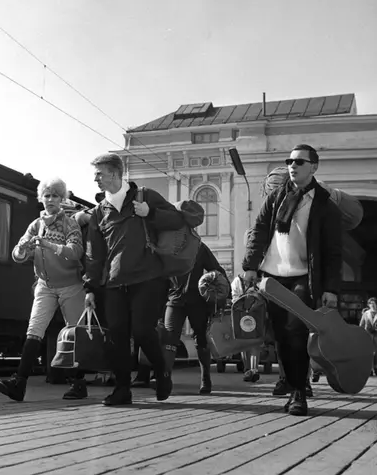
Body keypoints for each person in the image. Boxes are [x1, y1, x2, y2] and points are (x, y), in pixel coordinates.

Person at [242, 144, 342, 416]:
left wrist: (331, 288)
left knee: (296, 332)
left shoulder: (325, 205)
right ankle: (291, 383)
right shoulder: (276, 197)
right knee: (281, 337)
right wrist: (250, 266)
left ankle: (299, 392)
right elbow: (259, 230)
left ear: (314, 167)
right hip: (273, 276)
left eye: (299, 162)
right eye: (289, 161)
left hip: (303, 277)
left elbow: (333, 252)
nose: (292, 166)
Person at [83, 153, 184, 406]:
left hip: (148, 277)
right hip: (115, 282)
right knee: (117, 335)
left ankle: (161, 370)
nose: (96, 179)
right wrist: (91, 288)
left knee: (142, 331)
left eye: (99, 174)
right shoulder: (98, 212)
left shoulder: (144, 196)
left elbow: (176, 219)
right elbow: (94, 254)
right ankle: (122, 389)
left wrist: (150, 213)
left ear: (115, 173)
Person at [0, 177, 87, 402]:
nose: (51, 199)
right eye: (47, 195)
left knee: (75, 334)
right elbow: (17, 256)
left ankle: (79, 384)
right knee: (33, 331)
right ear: (41, 198)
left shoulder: (70, 224)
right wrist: (21, 249)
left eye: (55, 196)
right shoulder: (36, 225)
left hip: (71, 285)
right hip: (45, 285)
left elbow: (76, 251)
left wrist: (49, 245)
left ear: (62, 199)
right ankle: (19, 383)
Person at [164, 242, 228, 394]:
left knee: (201, 337)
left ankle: (206, 378)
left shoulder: (198, 246)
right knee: (169, 337)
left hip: (197, 299)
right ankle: (165, 378)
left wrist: (224, 294)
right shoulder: (165, 243)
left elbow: (217, 271)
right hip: (174, 299)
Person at [359, 297, 377, 376]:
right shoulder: (366, 314)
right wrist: (362, 333)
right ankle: (370, 369)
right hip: (367, 335)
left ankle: (375, 366)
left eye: (374, 303)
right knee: (369, 352)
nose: (372, 305)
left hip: (376, 336)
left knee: (376, 353)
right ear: (368, 305)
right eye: (370, 303)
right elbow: (361, 325)